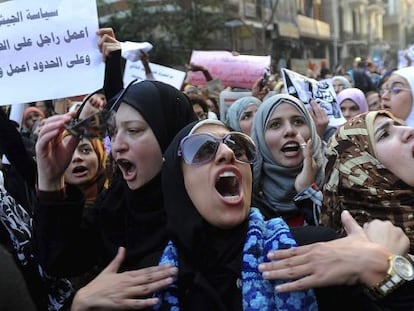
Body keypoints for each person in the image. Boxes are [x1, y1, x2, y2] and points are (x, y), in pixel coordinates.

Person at [34, 80, 197, 310]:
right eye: (113, 132)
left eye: (133, 131)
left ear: (170, 136)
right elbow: (59, 260)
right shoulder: (115, 203)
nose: (118, 144)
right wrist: (50, 180)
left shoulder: (210, 210)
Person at [154, 118, 318, 310]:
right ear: (178, 182)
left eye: (237, 147)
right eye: (202, 150)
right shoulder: (143, 284)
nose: (227, 152)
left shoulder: (313, 253)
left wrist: (363, 265)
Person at [258, 210, 414, 310]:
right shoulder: (313, 248)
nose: (233, 157)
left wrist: (385, 266)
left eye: (241, 156)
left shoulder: (323, 247)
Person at [321, 110, 414, 251]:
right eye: (384, 134)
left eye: (398, 125)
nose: (409, 131)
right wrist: (390, 265)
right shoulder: (355, 258)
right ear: (363, 168)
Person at [251, 94, 326, 226]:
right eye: (275, 124)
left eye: (298, 122)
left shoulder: (337, 182)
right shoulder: (247, 197)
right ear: (260, 139)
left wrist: (307, 191)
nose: (290, 131)